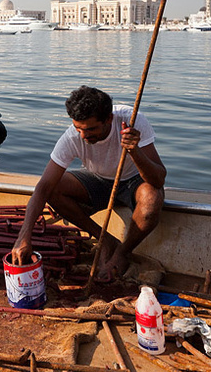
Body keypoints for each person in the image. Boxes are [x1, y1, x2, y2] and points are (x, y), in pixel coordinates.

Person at [11, 86, 166, 281]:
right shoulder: (73, 136)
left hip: (134, 180)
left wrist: (135, 150)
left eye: (91, 129)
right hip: (98, 179)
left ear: (109, 119)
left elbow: (158, 179)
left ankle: (122, 252)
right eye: (79, 129)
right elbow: (43, 187)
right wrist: (24, 236)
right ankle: (105, 239)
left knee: (152, 198)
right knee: (53, 187)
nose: (83, 136)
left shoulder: (132, 120)